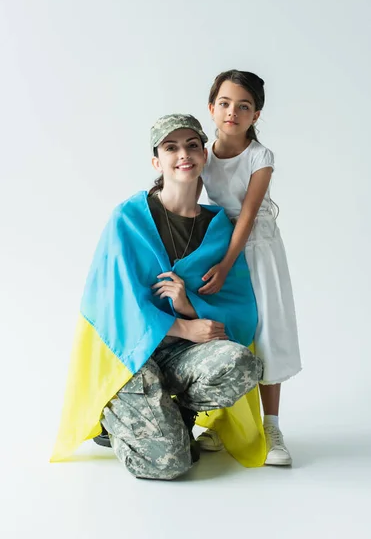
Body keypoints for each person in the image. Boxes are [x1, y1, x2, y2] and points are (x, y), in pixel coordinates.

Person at [51, 114, 266, 480]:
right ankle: (114, 421)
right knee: (171, 464)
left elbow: (239, 303)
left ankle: (176, 412)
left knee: (242, 363)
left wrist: (188, 305)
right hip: (130, 354)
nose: (183, 154)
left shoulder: (218, 228)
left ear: (204, 155)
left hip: (181, 354)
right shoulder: (128, 219)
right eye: (171, 147)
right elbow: (112, 306)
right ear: (157, 161)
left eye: (192, 145)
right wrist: (184, 325)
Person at [197, 70, 302, 466]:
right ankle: (221, 421)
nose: (232, 112)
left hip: (256, 249)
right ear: (211, 108)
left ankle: (271, 427)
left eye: (244, 106)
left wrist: (227, 266)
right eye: (224, 103)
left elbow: (246, 216)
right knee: (228, 332)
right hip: (218, 248)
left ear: (256, 115)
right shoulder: (203, 154)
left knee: (267, 330)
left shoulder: (260, 157)